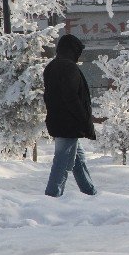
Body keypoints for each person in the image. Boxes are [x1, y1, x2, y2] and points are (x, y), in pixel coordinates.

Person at [44, 34, 97, 197]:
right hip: (69, 124)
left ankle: (90, 192)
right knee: (62, 161)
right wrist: (84, 121)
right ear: (73, 51)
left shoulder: (52, 66)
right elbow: (72, 98)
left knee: (78, 160)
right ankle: (52, 196)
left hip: (57, 120)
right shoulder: (69, 68)